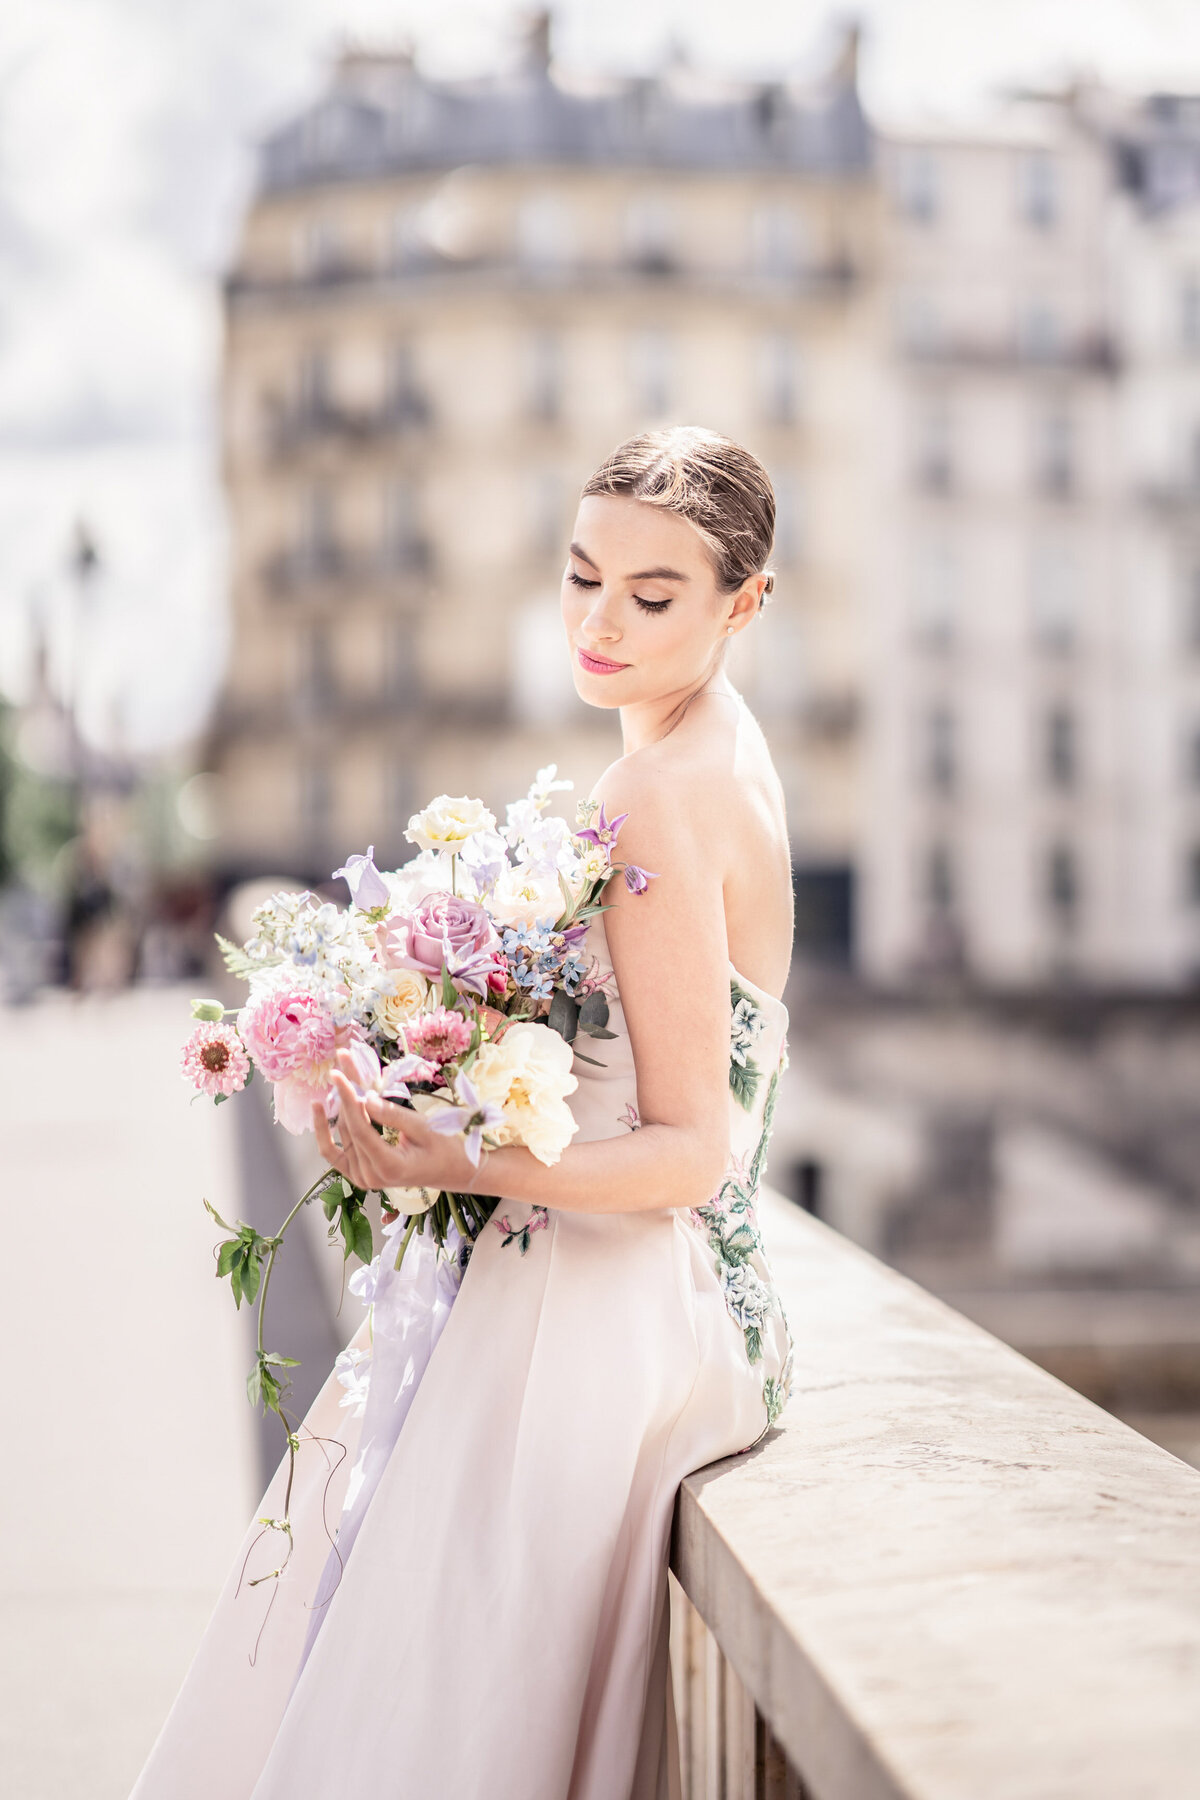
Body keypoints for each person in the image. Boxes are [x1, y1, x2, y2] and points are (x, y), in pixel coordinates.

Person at [132, 425, 795, 1800]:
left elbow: (688, 1151)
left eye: (653, 595)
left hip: (598, 1315)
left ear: (746, 603)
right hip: (685, 1300)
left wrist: (455, 1151)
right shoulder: (727, 754)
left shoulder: (655, 799)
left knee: (430, 1701)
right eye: (581, 575)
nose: (601, 621)